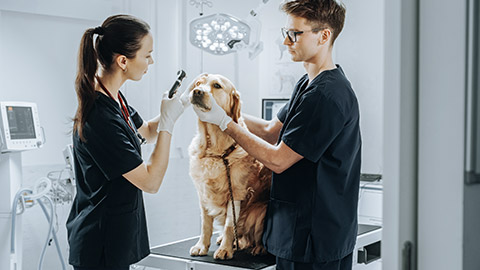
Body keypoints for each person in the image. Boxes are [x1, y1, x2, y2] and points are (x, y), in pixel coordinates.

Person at [193, 0, 361, 269]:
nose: (286, 41)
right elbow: (273, 131)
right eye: (286, 33)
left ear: (324, 36)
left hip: (313, 237)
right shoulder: (308, 84)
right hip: (302, 231)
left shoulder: (325, 96)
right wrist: (222, 108)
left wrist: (225, 123)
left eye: (295, 34)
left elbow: (278, 159)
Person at [67, 14, 188, 270]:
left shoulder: (116, 101)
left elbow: (145, 132)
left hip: (114, 241)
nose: (151, 61)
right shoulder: (100, 117)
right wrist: (168, 124)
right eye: (147, 55)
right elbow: (151, 181)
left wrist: (182, 103)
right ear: (123, 61)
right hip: (99, 245)